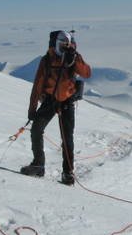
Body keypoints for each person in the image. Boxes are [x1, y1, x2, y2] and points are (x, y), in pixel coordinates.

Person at [21, 30, 92, 185]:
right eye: (62, 44)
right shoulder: (47, 59)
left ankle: (67, 173)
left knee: (67, 137)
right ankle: (39, 165)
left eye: (66, 44)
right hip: (50, 99)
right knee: (36, 129)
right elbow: (38, 84)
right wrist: (32, 109)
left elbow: (87, 73)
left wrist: (75, 59)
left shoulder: (73, 57)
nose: (64, 47)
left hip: (66, 100)